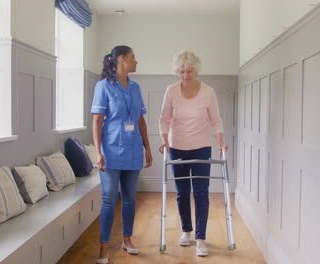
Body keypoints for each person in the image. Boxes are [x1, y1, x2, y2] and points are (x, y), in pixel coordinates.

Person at [158, 50, 228, 257]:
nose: (186, 75)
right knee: (181, 192)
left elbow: (215, 120)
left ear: (196, 70)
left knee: (201, 193)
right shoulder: (171, 91)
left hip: (201, 147)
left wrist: (220, 140)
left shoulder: (208, 92)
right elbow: (164, 118)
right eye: (182, 71)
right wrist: (163, 139)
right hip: (177, 146)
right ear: (177, 71)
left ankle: (200, 238)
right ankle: (186, 231)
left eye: (189, 71)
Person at [91, 45, 153, 264]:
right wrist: (98, 152)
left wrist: (147, 147)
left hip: (134, 150)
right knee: (109, 199)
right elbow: (97, 121)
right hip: (110, 152)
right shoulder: (103, 86)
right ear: (121, 60)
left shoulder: (135, 87)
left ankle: (127, 239)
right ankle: (104, 247)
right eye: (133, 58)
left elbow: (141, 120)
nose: (136, 61)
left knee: (129, 199)